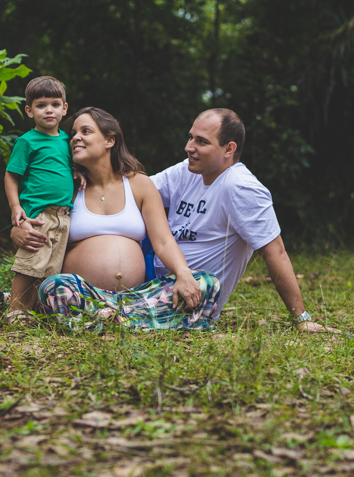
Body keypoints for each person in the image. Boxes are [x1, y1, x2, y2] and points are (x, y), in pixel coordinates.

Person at [15, 108, 336, 333]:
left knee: (206, 283)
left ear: (229, 149)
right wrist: (74, 173)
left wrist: (301, 317)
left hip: (181, 291)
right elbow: (127, 190)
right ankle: (112, 314)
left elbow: (275, 251)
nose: (188, 148)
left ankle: (95, 315)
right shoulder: (186, 171)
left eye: (200, 142)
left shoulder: (242, 188)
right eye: (190, 138)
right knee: (55, 286)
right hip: (140, 285)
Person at [36, 107, 221, 330]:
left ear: (109, 140)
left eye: (85, 131)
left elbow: (163, 241)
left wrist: (182, 273)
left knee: (206, 282)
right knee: (54, 288)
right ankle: (139, 321)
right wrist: (18, 228)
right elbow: (37, 225)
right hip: (84, 293)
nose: (75, 137)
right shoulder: (67, 187)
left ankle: (110, 320)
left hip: (138, 296)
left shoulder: (139, 184)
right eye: (74, 133)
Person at [1, 76, 75, 321]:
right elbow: (11, 175)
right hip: (38, 214)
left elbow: (66, 167)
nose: (49, 110)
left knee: (48, 270)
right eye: (41, 105)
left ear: (65, 108)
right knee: (30, 264)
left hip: (63, 215)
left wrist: (77, 173)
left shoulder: (67, 141)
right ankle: (15, 312)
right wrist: (15, 207)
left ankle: (32, 311)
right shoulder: (27, 141)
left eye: (55, 104)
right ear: (29, 110)